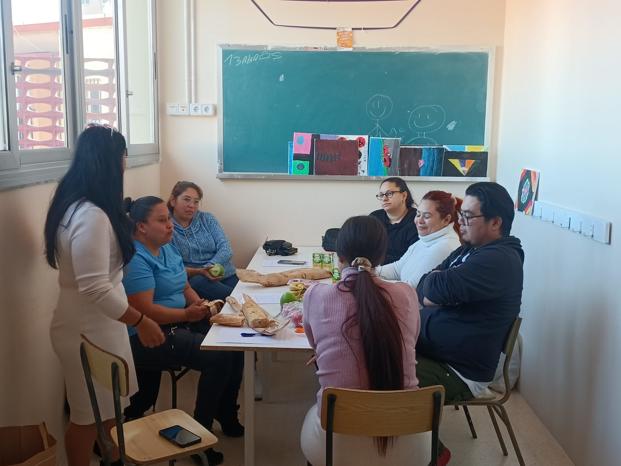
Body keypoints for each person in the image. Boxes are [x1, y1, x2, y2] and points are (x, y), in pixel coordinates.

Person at [44, 125, 164, 466]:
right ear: (112, 162)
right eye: (124, 156)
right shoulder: (90, 216)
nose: (126, 164)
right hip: (87, 330)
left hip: (101, 326)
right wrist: (142, 321)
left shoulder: (81, 206)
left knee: (109, 410)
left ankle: (113, 458)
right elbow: (95, 287)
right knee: (86, 418)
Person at [122, 196, 244, 466]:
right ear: (141, 227)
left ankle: (226, 413)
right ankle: (200, 435)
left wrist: (196, 302)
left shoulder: (166, 248)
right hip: (149, 334)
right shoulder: (136, 259)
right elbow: (146, 311)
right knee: (219, 358)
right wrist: (187, 314)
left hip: (180, 321)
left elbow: (183, 283)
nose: (170, 226)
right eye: (162, 220)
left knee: (235, 344)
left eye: (169, 219)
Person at [300, 216, 429, 466]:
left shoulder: (316, 295)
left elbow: (315, 345)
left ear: (338, 256)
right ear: (382, 256)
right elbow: (410, 340)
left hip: (335, 448)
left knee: (312, 411)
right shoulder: (406, 293)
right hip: (411, 447)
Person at [415, 182, 524, 463]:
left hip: (458, 371)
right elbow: (425, 283)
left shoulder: (499, 260)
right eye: (460, 214)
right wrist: (433, 290)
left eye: (468, 216)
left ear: (496, 222)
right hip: (437, 354)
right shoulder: (469, 251)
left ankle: (432, 453)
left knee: (383, 375)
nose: (459, 222)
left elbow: (432, 289)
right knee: (374, 356)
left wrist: (434, 291)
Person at [167, 181, 239, 300]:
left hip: (225, 273)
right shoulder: (167, 227)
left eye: (196, 201)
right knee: (237, 299)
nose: (192, 205)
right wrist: (200, 272)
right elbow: (172, 265)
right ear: (173, 200)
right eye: (186, 199)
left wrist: (208, 267)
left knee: (246, 293)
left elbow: (226, 248)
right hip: (195, 278)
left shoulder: (207, 219)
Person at [378, 191, 462, 288]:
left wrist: (373, 280)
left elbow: (411, 287)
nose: (419, 221)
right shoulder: (426, 240)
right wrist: (369, 270)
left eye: (426, 216)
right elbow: (396, 269)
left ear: (446, 220)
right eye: (418, 214)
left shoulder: (444, 247)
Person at [369, 177, 419, 264]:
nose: (384, 199)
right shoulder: (374, 218)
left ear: (404, 195)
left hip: (403, 272)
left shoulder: (417, 220)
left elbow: (414, 258)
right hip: (374, 269)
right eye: (381, 195)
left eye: (389, 193)